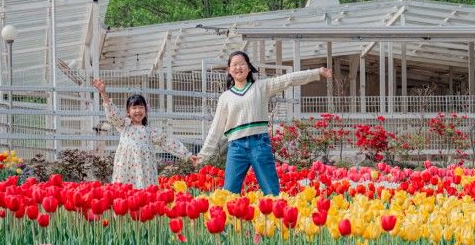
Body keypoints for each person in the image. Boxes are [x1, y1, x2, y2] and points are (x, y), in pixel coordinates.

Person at [194, 52, 331, 195]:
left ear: (248, 68)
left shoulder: (261, 87)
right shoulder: (225, 98)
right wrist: (203, 155)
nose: (238, 67)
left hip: (259, 144)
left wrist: (317, 72)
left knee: (271, 191)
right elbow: (216, 128)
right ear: (229, 70)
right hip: (236, 148)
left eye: (242, 64)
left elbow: (288, 79)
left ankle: (276, 216)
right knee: (229, 193)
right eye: (234, 64)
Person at [92, 79, 191, 189]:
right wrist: (103, 93)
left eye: (141, 107)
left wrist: (187, 155)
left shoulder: (150, 131)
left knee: (144, 192)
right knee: (124, 192)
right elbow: (112, 115)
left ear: (145, 111)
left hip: (145, 170)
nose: (138, 110)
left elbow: (168, 141)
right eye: (134, 108)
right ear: (128, 112)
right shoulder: (124, 125)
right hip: (126, 169)